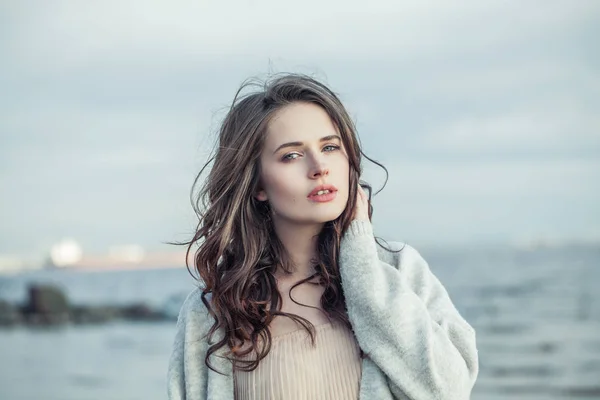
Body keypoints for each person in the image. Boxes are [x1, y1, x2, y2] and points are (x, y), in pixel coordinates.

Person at [167, 73, 479, 400]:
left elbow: (449, 390)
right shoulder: (214, 310)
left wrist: (362, 267)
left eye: (330, 147)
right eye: (292, 155)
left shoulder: (398, 269)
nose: (320, 167)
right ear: (258, 184)